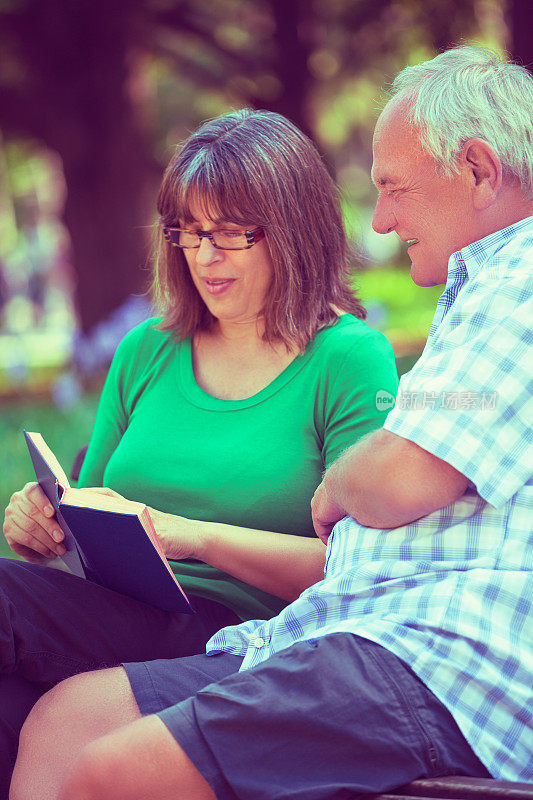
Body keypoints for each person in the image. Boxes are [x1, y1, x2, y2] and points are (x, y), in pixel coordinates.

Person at [11, 45, 533, 800]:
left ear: (479, 172)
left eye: (392, 190)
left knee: (108, 772)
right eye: (187, 232)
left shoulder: (510, 294)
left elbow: (397, 479)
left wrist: (339, 486)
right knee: (65, 718)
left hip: (425, 651)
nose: (382, 220)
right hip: (340, 628)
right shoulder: (480, 296)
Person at [0, 109, 399, 796]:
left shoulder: (347, 361)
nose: (203, 256)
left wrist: (197, 538)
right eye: (187, 231)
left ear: (294, 226)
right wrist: (42, 527)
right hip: (120, 614)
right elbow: (87, 522)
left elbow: (367, 573)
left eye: (230, 233)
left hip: (245, 637)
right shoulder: (148, 350)